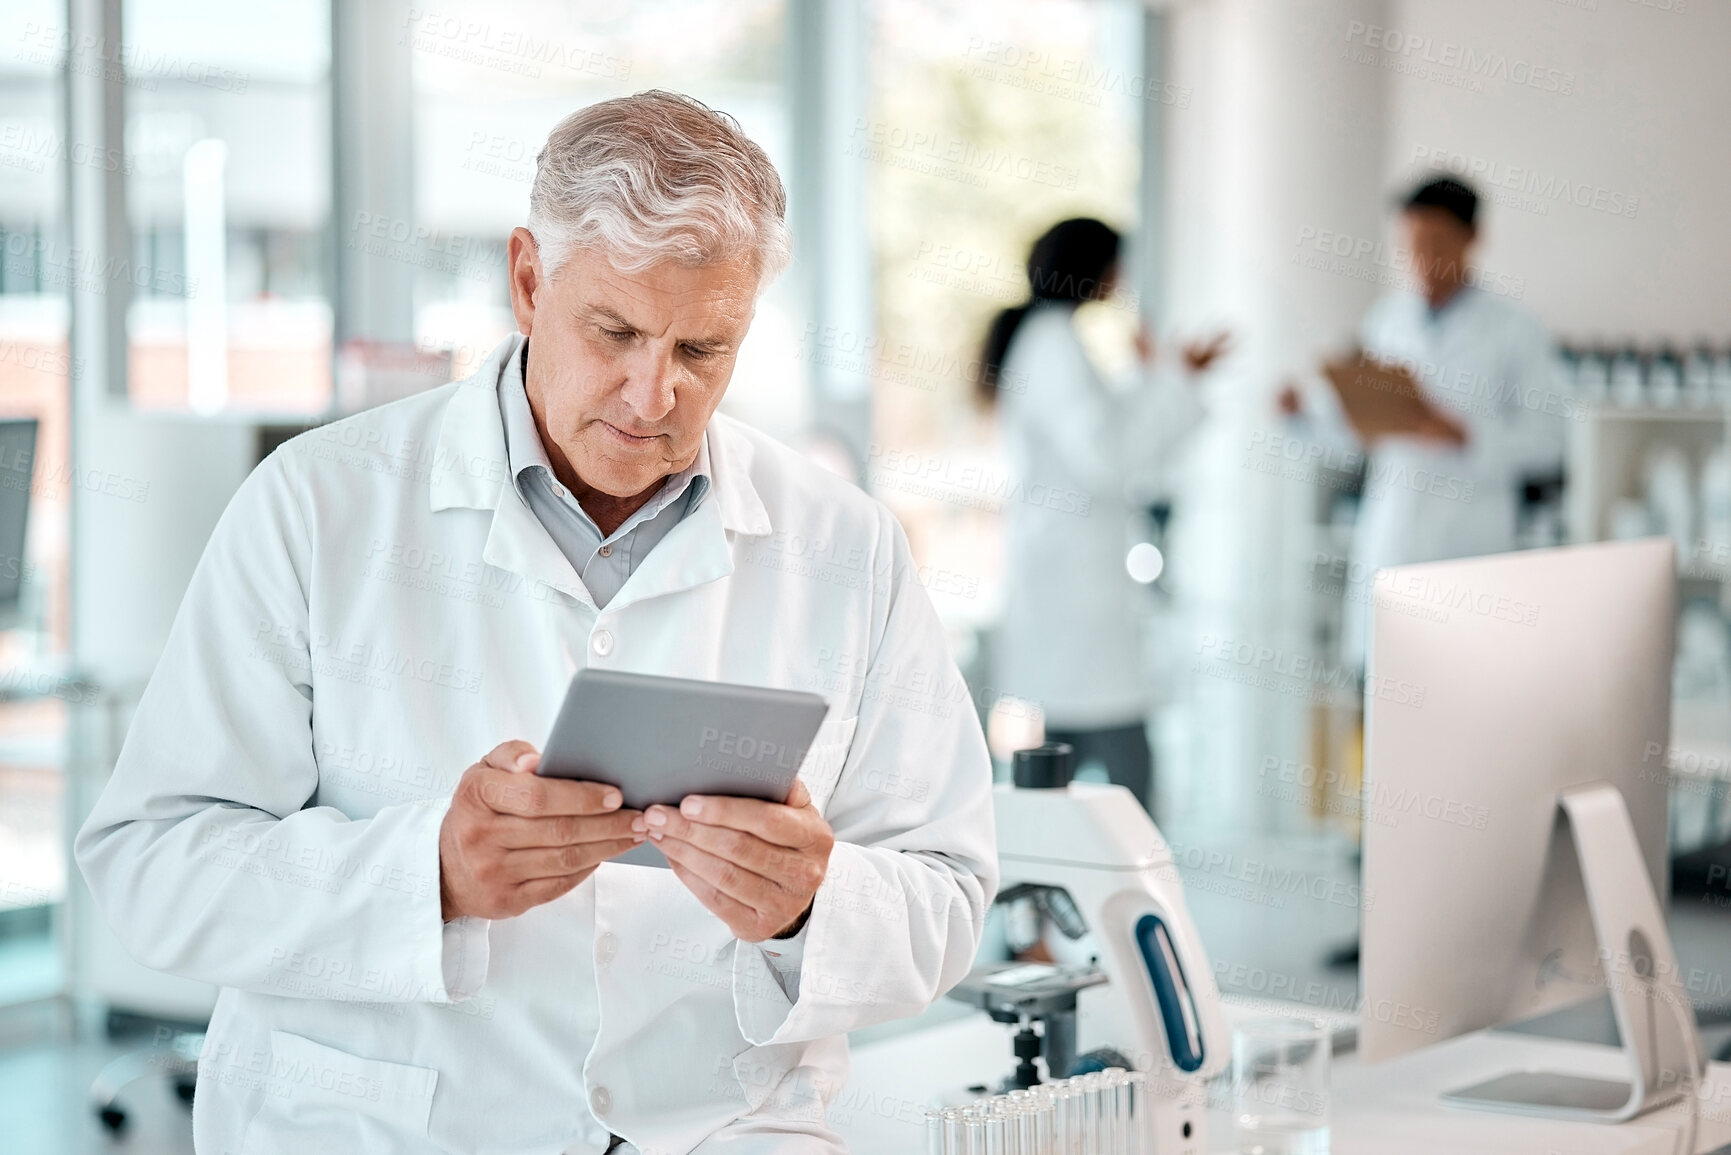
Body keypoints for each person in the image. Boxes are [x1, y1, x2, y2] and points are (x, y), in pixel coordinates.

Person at [76, 91, 997, 1155]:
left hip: (721, 1131)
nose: (652, 394)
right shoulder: (319, 505)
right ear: (527, 279)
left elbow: (948, 893)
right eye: (616, 331)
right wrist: (431, 874)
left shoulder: (845, 548)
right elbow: (153, 865)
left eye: (704, 349)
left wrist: (809, 903)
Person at [978, 218, 1226, 810]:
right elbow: (1107, 454)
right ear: (1093, 269)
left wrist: (1161, 378)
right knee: (1112, 752)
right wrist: (1170, 381)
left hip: (1073, 572)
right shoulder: (1052, 339)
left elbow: (1106, 432)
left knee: (1077, 746)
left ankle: (1076, 878)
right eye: (1117, 264)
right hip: (1074, 577)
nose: (1122, 277)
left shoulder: (1051, 337)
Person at [1280, 177, 1568, 667]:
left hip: (1468, 551)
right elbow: (1357, 441)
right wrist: (1303, 418)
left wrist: (1465, 437)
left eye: (1437, 243)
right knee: (1380, 715)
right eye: (1412, 245)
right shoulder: (1387, 320)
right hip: (1390, 544)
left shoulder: (1516, 331)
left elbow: (1550, 443)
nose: (1422, 260)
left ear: (1473, 238)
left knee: (1458, 711)